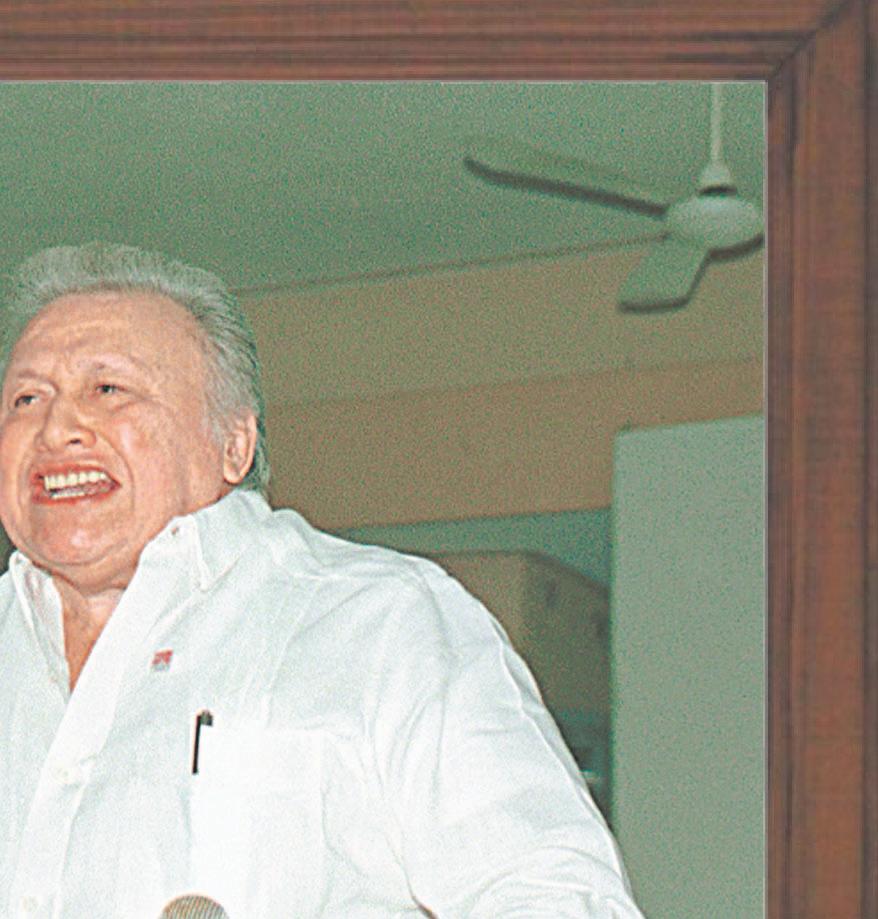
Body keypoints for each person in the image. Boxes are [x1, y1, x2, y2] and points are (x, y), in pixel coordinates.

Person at [0, 242, 644, 918]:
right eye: (25, 398)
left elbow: (559, 899)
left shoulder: (382, 623)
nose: (57, 428)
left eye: (108, 390)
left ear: (234, 445)